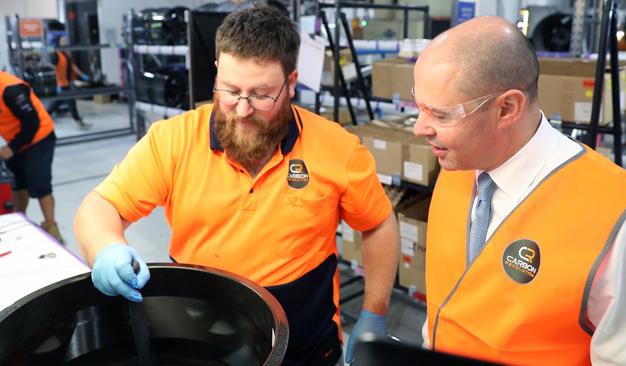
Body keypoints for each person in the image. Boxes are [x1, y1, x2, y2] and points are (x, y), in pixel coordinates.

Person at [73, 6, 399, 365]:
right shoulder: (172, 140)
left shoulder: (337, 149)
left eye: (261, 95)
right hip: (202, 338)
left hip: (305, 341)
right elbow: (101, 207)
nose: (242, 109)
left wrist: (374, 314)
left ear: (291, 83)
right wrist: (106, 248)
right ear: (217, 72)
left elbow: (379, 223)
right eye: (230, 90)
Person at [412, 16, 626, 365]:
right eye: (419, 106)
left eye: (441, 115)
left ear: (507, 108)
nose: (420, 128)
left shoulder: (624, 225)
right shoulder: (458, 165)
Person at [0, 71, 64, 243]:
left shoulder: (11, 90)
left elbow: (32, 122)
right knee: (18, 184)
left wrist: (12, 148)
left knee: (40, 184)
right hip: (16, 140)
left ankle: (52, 227)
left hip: (39, 138)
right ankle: (19, 221)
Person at [47, 35, 92, 130]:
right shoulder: (56, 54)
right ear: (58, 42)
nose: (65, 42)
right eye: (63, 40)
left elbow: (73, 67)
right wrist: (57, 82)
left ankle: (42, 118)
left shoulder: (65, 54)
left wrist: (83, 75)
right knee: (71, 104)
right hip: (61, 85)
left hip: (67, 83)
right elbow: (51, 67)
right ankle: (79, 123)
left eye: (66, 40)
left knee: (55, 104)